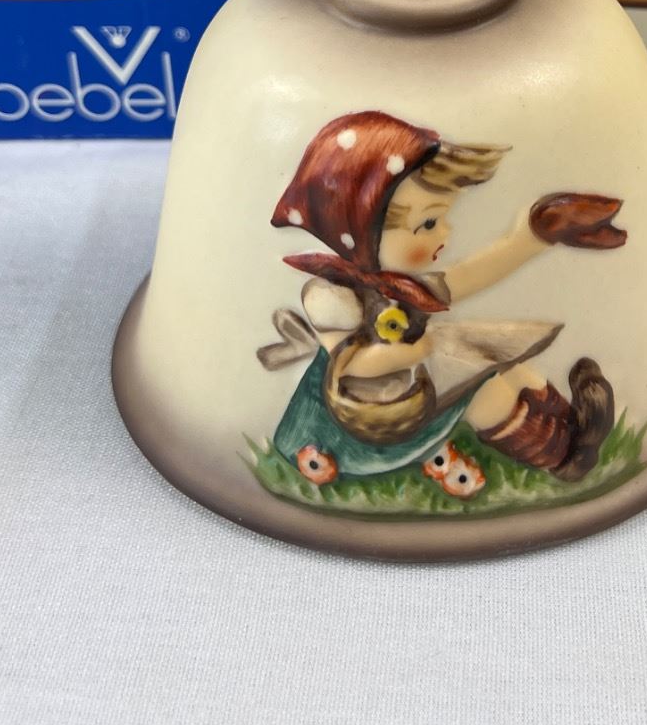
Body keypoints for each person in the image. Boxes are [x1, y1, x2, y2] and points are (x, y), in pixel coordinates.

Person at [260, 111, 627, 495]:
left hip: (413, 383)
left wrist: (537, 235)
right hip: (364, 419)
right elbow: (348, 366)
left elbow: (473, 274)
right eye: (429, 224)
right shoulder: (333, 297)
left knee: (503, 364)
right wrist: (409, 353)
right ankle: (562, 456)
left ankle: (574, 426)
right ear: (364, 231)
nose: (446, 234)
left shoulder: (405, 286)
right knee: (482, 390)